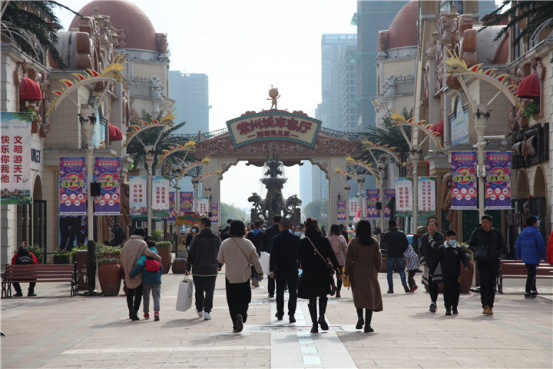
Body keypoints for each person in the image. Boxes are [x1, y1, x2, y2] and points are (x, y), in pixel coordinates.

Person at [218, 220, 264, 333]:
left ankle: (235, 324)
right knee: (244, 299)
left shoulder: (225, 243)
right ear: (244, 229)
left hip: (230, 277)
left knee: (232, 301)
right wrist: (260, 272)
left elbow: (220, 259)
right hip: (244, 276)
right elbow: (255, 259)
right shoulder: (248, 243)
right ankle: (241, 314)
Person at [297, 218, 341, 333]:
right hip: (322, 272)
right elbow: (332, 256)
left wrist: (301, 264)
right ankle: (321, 316)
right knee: (322, 295)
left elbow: (299, 256)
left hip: (309, 273)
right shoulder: (324, 241)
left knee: (312, 298)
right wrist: (338, 270)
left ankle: (314, 325)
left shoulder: (304, 241)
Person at [344, 220, 382, 333]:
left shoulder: (353, 242)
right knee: (370, 297)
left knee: (358, 295)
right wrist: (377, 269)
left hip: (357, 270)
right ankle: (368, 325)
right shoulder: (374, 242)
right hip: (370, 271)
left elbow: (348, 258)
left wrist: (347, 272)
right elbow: (378, 258)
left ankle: (360, 318)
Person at [469, 215, 507, 315]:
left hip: (493, 261)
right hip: (482, 262)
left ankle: (490, 305)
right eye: (483, 222)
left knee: (491, 284)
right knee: (484, 284)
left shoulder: (496, 233)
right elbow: (471, 244)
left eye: (486, 222)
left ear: (490, 223)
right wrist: (477, 250)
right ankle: (485, 305)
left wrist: (496, 253)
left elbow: (503, 246)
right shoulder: (477, 232)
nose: (484, 224)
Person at [185, 217, 222, 320]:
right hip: (211, 270)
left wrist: (188, 267)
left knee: (199, 291)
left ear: (202, 225)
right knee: (210, 290)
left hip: (198, 270)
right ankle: (207, 311)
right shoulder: (216, 238)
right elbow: (220, 253)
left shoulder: (196, 238)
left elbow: (191, 254)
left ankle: (200, 309)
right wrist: (219, 265)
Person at [121, 228, 162, 321]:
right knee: (138, 293)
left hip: (127, 271)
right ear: (141, 235)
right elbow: (149, 253)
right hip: (137, 272)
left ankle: (130, 312)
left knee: (130, 293)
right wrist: (158, 257)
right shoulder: (142, 243)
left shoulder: (126, 244)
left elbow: (122, 257)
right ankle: (135, 312)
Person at [429, 230, 469, 315]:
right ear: (446, 238)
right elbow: (436, 261)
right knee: (447, 291)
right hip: (446, 274)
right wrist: (431, 272)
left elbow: (464, 258)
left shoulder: (458, 249)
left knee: (456, 290)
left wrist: (466, 266)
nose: (453, 240)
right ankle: (447, 308)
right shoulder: (442, 249)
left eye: (454, 239)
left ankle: (454, 307)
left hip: (456, 274)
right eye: (451, 238)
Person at [269, 217, 300, 322]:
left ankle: (280, 313)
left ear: (280, 226)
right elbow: (299, 254)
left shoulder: (276, 238)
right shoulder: (296, 238)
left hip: (280, 268)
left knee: (280, 292)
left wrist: (271, 269)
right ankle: (292, 314)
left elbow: (273, 255)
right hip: (292, 267)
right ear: (290, 226)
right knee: (292, 292)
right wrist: (300, 265)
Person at [515, 216, 547, 298]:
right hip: (535, 257)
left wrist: (518, 256)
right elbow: (542, 246)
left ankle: (533, 289)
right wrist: (545, 256)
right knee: (531, 274)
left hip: (525, 257)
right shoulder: (537, 233)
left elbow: (518, 245)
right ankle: (527, 290)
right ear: (534, 224)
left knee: (531, 273)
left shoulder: (522, 233)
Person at [420, 219, 445, 312]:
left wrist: (431, 240)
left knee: (436, 283)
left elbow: (439, 248)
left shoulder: (440, 236)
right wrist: (423, 261)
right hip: (428, 264)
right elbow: (421, 249)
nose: (431, 227)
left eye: (433, 225)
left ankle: (437, 302)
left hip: (438, 264)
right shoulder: (424, 237)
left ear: (436, 227)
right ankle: (433, 302)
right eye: (429, 225)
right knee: (431, 284)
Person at [381, 219, 410, 294]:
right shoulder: (401, 233)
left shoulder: (387, 234)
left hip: (390, 255)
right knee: (401, 271)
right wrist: (402, 250)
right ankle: (404, 283)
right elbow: (406, 244)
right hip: (399, 255)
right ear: (396, 225)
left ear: (389, 225)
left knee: (389, 272)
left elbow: (383, 243)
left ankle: (390, 288)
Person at [261, 215, 282, 298]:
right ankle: (281, 290)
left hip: (269, 254)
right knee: (280, 274)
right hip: (281, 256)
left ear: (273, 221)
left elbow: (263, 243)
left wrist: (262, 252)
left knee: (271, 274)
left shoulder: (268, 230)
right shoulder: (282, 231)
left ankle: (271, 292)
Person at [327, 224, 348, 298]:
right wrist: (347, 259)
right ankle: (338, 292)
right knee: (339, 276)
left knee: (329, 275)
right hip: (340, 260)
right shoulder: (341, 238)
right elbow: (345, 249)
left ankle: (332, 285)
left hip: (330, 261)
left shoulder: (328, 238)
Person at [246, 220, 264, 287]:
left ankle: (253, 279)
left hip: (251, 251)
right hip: (259, 251)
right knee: (258, 265)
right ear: (260, 226)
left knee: (252, 266)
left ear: (253, 226)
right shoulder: (262, 233)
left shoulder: (250, 234)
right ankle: (257, 280)